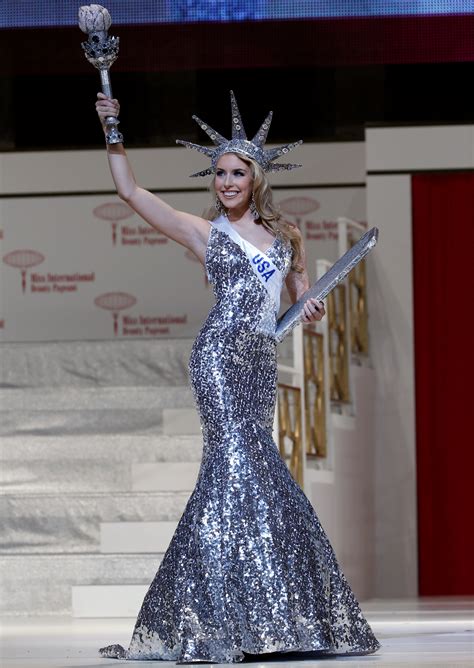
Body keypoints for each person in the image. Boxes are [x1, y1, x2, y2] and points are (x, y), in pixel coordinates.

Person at [95, 91, 380, 663]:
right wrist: (113, 129)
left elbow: (299, 301)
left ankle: (259, 616)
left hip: (259, 366)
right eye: (220, 173)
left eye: (237, 173)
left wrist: (311, 306)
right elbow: (130, 193)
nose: (227, 182)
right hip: (220, 360)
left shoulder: (287, 239)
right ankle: (215, 618)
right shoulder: (206, 234)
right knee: (232, 472)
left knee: (255, 476)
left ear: (256, 179)